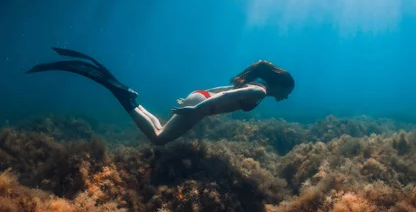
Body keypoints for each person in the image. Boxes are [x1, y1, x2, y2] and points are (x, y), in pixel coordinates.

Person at [27, 48, 295, 145]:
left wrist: (197, 98)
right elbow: (224, 98)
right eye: (288, 93)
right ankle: (123, 96)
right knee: (158, 139)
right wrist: (196, 109)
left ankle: (130, 97)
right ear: (280, 87)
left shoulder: (254, 83)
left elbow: (223, 91)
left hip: (199, 96)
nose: (286, 98)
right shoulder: (259, 91)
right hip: (200, 105)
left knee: (159, 128)